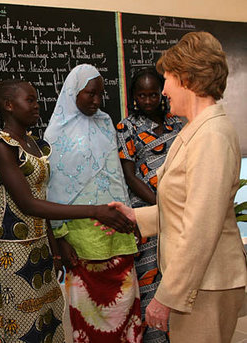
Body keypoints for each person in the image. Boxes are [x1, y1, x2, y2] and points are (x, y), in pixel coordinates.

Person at [110, 32, 247, 343]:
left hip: (207, 284)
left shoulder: (211, 136)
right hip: (200, 282)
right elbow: (184, 207)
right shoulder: (196, 130)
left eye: (168, 78)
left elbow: (200, 227)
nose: (165, 89)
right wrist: (136, 217)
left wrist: (166, 296)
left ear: (188, 79)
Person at [0, 79, 134, 342]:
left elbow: (42, 199)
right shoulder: (1, 147)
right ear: (8, 105)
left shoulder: (35, 144)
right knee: (19, 323)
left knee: (47, 318)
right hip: (11, 248)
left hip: (38, 243)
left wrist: (53, 246)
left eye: (37, 100)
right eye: (30, 100)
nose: (37, 106)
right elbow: (29, 204)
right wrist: (95, 210)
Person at [44, 64, 142, 342]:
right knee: (88, 313)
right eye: (90, 93)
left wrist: (130, 218)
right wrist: (60, 238)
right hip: (79, 237)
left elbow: (115, 175)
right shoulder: (55, 133)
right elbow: (53, 191)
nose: (97, 101)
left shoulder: (104, 122)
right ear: (73, 91)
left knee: (123, 307)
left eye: (101, 94)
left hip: (115, 230)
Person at [116, 67, 184, 342]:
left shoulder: (179, 122)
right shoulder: (126, 127)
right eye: (141, 95)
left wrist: (174, 206)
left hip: (180, 211)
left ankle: (181, 334)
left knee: (178, 275)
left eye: (153, 94)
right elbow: (130, 176)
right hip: (147, 213)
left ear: (162, 93)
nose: (147, 101)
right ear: (134, 97)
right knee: (150, 278)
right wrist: (161, 204)